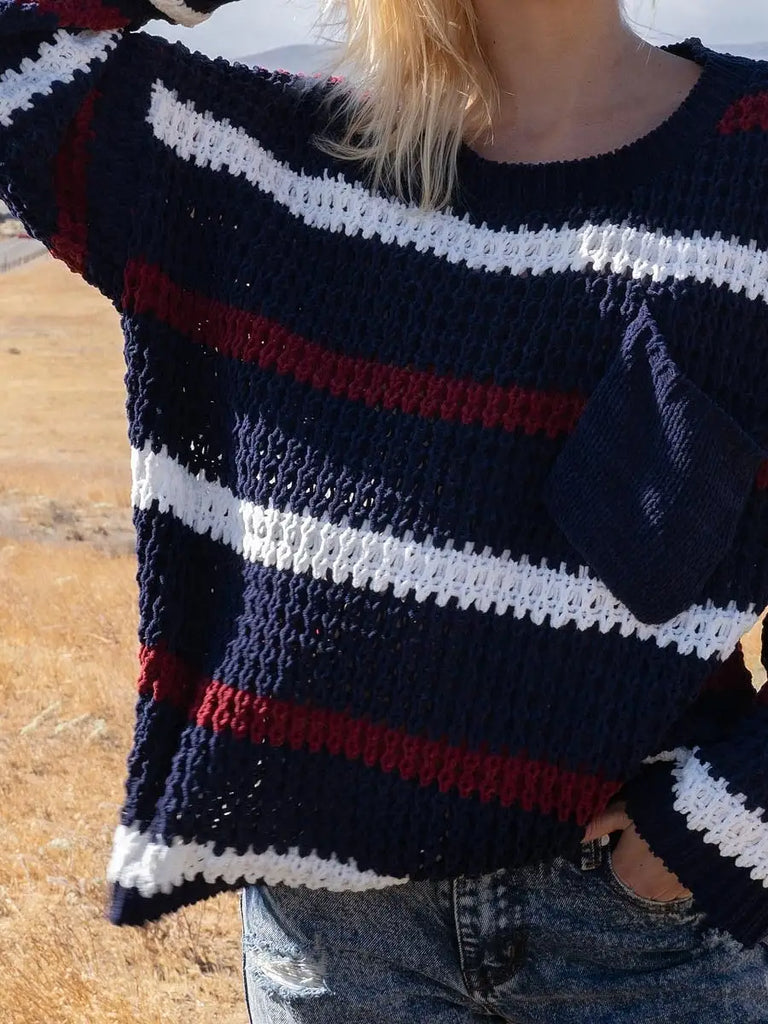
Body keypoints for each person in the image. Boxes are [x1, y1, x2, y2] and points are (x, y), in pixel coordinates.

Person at [2, 0, 768, 1019]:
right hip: (338, 946)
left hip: (646, 933)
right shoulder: (257, 157)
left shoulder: (751, 161)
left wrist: (733, 817)